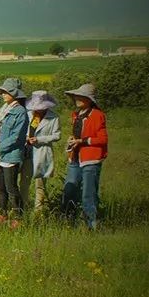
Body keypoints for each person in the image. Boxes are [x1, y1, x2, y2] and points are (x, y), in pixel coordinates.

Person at [61, 83, 107, 230]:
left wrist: (83, 141)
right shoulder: (76, 115)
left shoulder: (97, 115)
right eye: (76, 96)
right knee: (69, 190)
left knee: (88, 194)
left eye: (81, 96)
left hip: (90, 159)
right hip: (75, 157)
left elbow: (103, 139)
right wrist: (72, 141)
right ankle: (69, 223)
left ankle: (91, 226)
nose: (77, 99)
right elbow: (76, 135)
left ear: (89, 99)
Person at [0, 78, 28, 226]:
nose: (3, 95)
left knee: (11, 187)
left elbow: (16, 137)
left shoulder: (20, 112)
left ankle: (18, 217)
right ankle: (2, 213)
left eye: (6, 92)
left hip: (10, 155)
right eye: (2, 92)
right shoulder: (3, 109)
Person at [21, 90, 61, 212]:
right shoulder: (27, 115)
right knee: (24, 181)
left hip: (42, 152)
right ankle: (23, 206)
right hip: (27, 151)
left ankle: (38, 210)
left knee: (40, 184)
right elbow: (21, 130)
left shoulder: (53, 117)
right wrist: (26, 137)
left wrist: (39, 139)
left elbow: (57, 135)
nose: (38, 109)